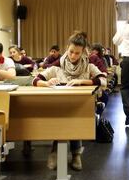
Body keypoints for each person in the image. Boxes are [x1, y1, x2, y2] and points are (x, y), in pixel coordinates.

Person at [32, 31, 107, 171]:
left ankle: (75, 154)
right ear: (67, 48)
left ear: (83, 52)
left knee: (74, 117)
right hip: (60, 105)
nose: (73, 56)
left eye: (77, 53)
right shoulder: (58, 65)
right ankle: (60, 151)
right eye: (71, 51)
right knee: (63, 117)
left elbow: (103, 80)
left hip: (81, 104)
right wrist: (47, 83)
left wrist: (82, 81)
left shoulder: (88, 65)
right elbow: (35, 80)